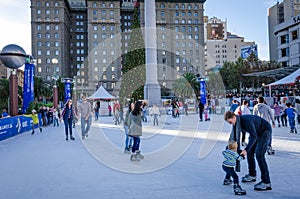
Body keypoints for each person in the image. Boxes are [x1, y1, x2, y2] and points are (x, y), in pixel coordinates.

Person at [224, 111, 272, 191]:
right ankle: (252, 175)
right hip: (256, 132)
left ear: (234, 117)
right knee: (250, 153)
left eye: (230, 122)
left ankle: (266, 182)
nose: (231, 124)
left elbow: (253, 136)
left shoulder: (246, 121)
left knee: (259, 155)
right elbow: (234, 137)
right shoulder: (237, 123)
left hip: (264, 131)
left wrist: (245, 150)